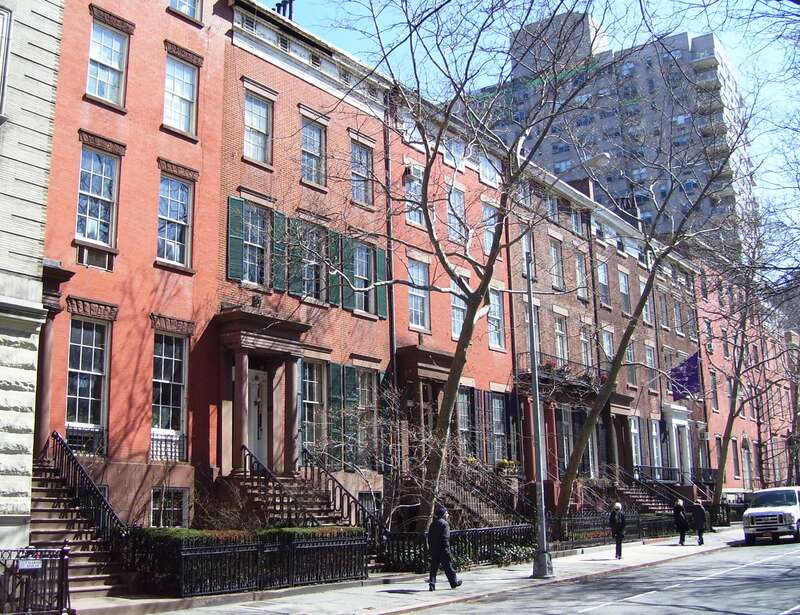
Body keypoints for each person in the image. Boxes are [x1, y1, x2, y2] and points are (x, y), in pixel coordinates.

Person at [427, 506, 462, 591]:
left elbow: (429, 537)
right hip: (443, 550)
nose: (448, 515)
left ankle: (432, 584)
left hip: (434, 549)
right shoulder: (445, 524)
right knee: (449, 567)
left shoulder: (433, 524)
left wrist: (431, 548)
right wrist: (447, 551)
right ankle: (454, 582)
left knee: (433, 568)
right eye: (446, 513)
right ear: (443, 515)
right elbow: (445, 538)